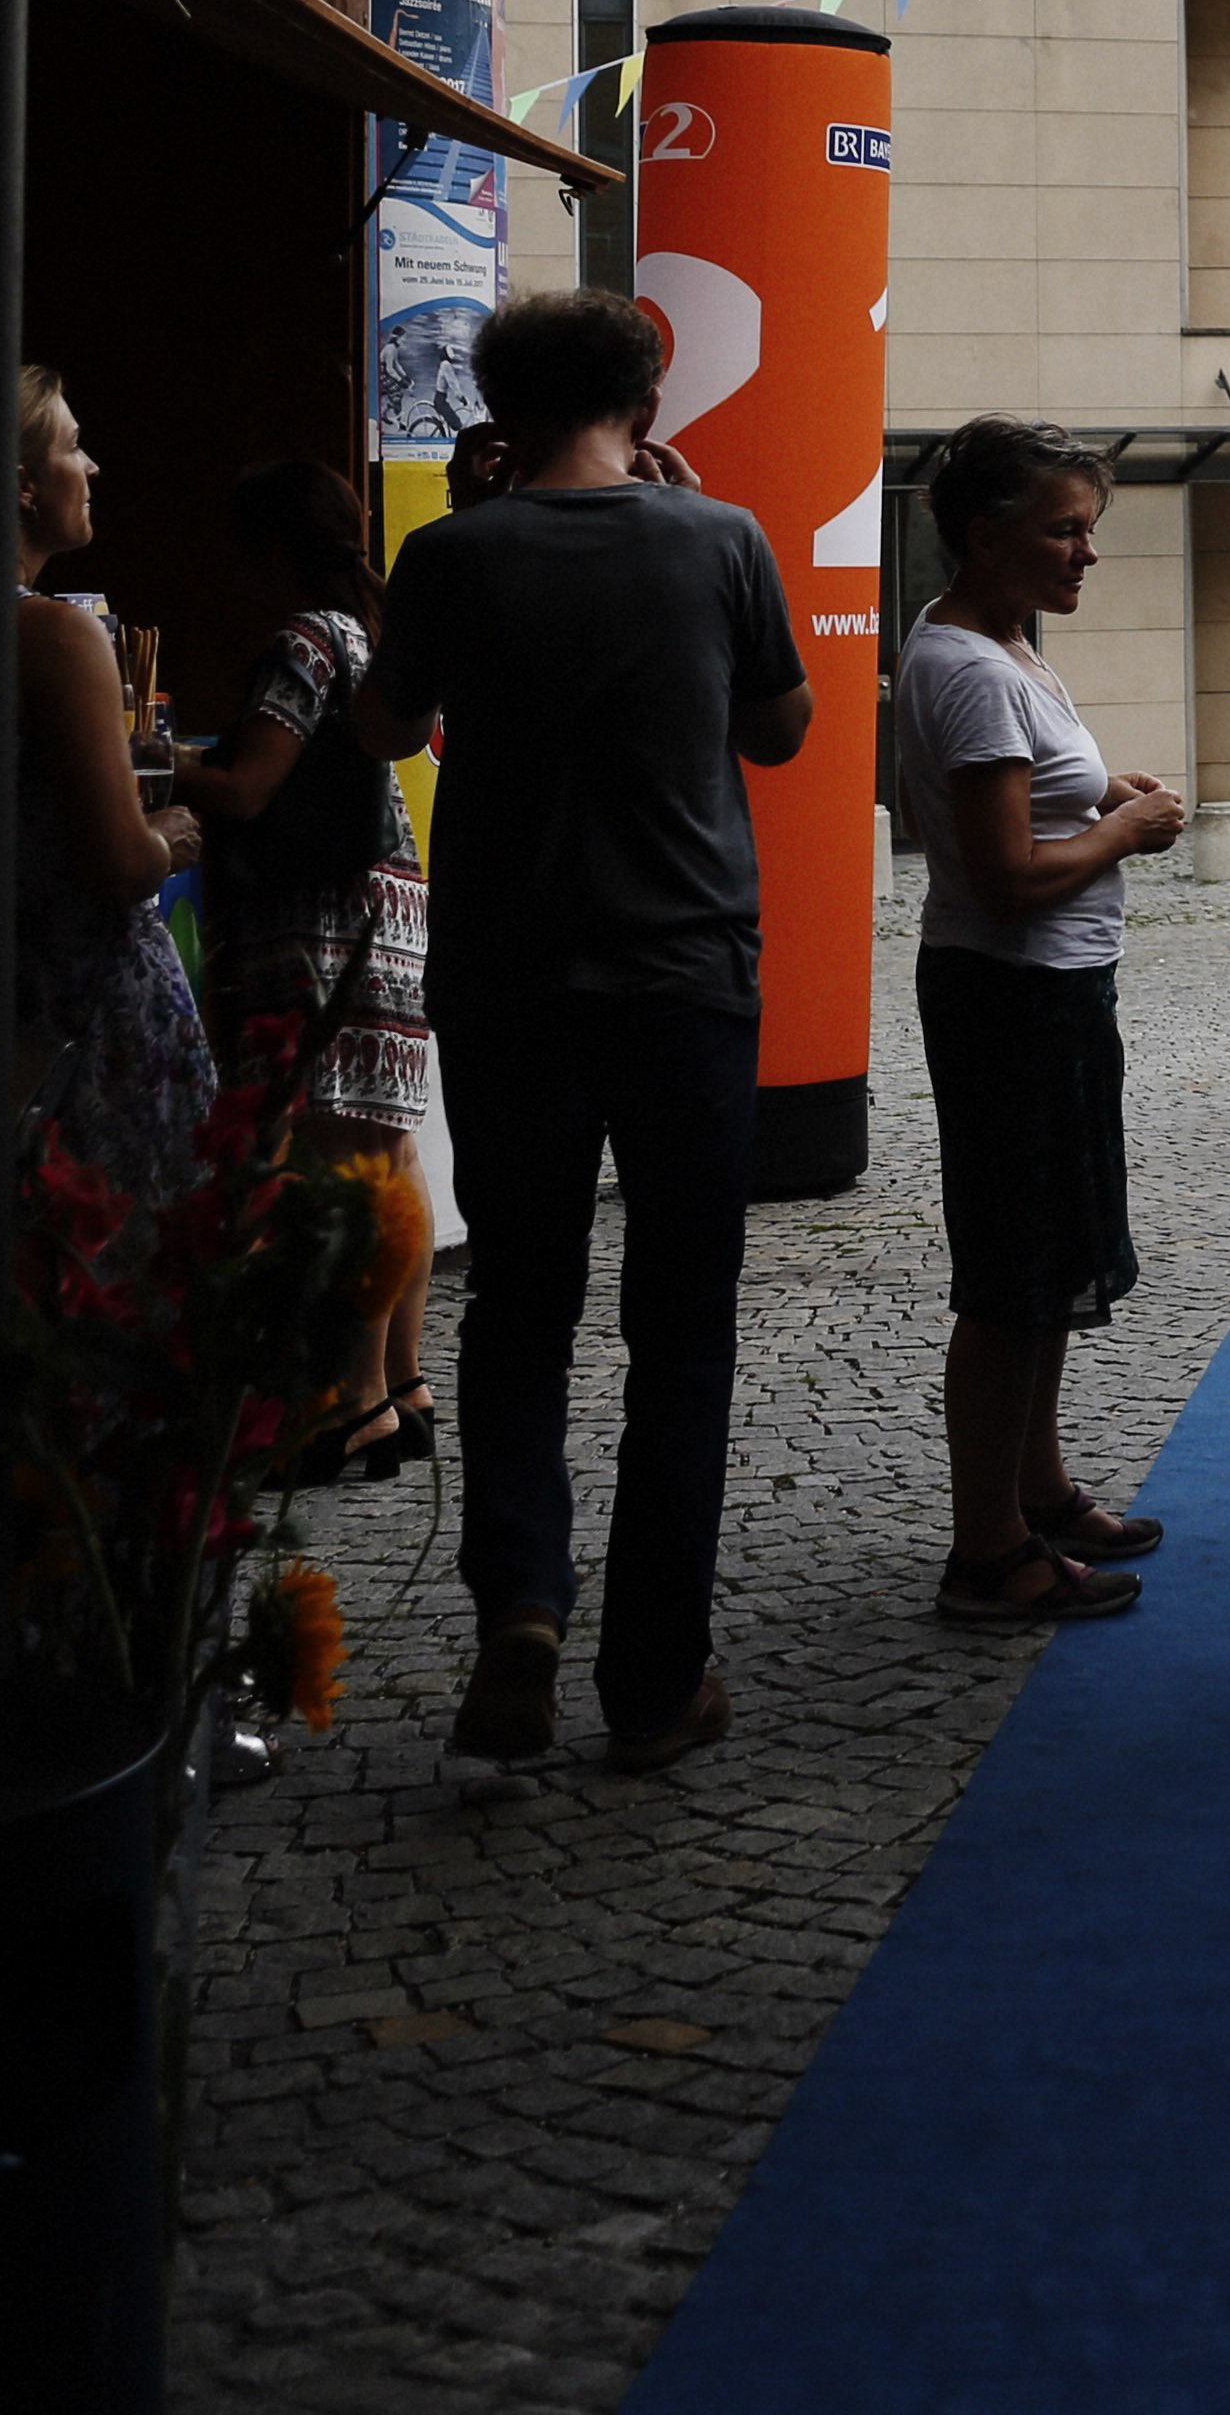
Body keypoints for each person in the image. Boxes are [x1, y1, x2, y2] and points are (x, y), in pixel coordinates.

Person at [355, 288, 814, 1778]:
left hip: (508, 980)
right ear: (649, 405)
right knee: (681, 1327)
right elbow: (782, 732)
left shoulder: (451, 554)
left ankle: (523, 1608)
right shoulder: (721, 538)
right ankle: (655, 1680)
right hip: (685, 977)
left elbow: (383, 727)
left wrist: (467, 537)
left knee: (520, 1308)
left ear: (497, 414)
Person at [899, 417, 1189, 1624]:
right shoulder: (969, 666)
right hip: (1011, 997)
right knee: (1013, 1275)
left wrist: (1100, 791)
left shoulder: (1000, 641)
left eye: (1091, 528)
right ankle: (987, 1550)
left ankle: (1037, 1488)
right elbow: (1007, 875)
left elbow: (1025, 797)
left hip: (1046, 991)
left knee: (1049, 1261)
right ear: (986, 534)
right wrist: (1122, 830)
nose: (1087, 552)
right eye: (1065, 530)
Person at [174, 458, 437, 1479]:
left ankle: (353, 1402)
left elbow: (249, 788)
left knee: (344, 1162)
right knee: (386, 1151)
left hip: (324, 921)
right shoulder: (367, 630)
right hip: (385, 901)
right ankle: (403, 1385)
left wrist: (146, 760)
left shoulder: (304, 640)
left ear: (268, 549)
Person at [12, 368, 215, 1203]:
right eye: (73, 447)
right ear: (23, 486)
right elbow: (119, 863)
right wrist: (165, 835)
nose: (92, 467)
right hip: (80, 1019)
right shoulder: (56, 636)